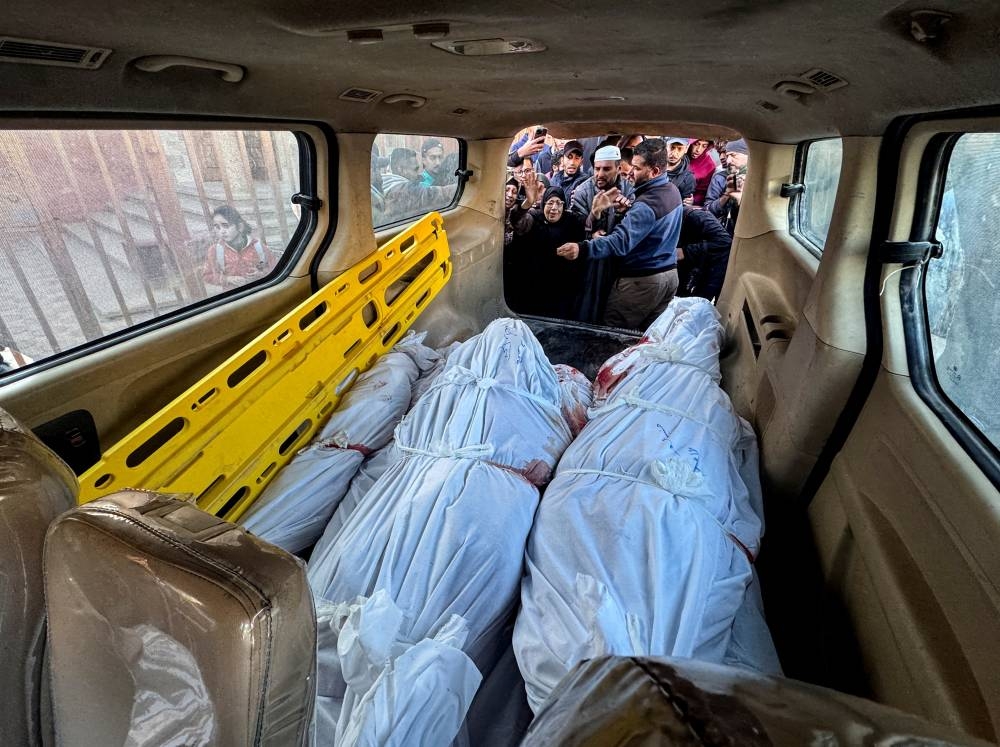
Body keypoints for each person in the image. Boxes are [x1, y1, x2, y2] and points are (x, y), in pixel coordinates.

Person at [555, 138, 684, 329]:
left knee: (613, 332)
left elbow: (621, 241)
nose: (631, 172)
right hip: (662, 275)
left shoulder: (638, 196)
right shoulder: (671, 190)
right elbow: (575, 224)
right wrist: (594, 216)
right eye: (597, 168)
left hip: (639, 280)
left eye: (637, 168)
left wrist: (582, 248)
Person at [569, 143, 636, 323]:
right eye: (597, 168)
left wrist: (623, 213)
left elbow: (635, 228)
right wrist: (592, 223)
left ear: (618, 168)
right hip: (590, 263)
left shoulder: (630, 191)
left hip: (619, 261)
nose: (599, 174)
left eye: (606, 169)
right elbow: (573, 226)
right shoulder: (583, 191)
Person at [506, 171, 585, 318]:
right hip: (533, 289)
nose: (554, 207)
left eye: (558, 203)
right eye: (550, 203)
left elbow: (587, 231)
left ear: (564, 206)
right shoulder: (534, 218)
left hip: (560, 291)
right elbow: (518, 221)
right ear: (543, 204)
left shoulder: (572, 221)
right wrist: (528, 203)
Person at [203, 205, 274, 289]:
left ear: (240, 227)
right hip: (234, 296)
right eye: (217, 227)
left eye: (226, 226)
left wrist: (261, 274)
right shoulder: (215, 251)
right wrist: (228, 279)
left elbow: (274, 267)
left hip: (258, 292)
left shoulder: (258, 246)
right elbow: (207, 275)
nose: (222, 231)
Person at [676, 205, 732, 301]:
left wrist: (685, 252)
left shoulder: (697, 216)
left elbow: (725, 242)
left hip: (712, 271)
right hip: (692, 270)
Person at [707, 138, 749, 235]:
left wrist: (740, 200)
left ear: (748, 156)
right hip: (721, 233)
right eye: (727, 155)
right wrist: (726, 195)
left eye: (733, 155)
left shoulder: (757, 180)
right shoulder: (720, 178)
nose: (728, 160)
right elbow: (708, 211)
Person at [550, 140, 589, 204]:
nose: (572, 163)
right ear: (562, 160)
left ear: (581, 162)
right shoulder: (554, 180)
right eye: (569, 157)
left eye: (576, 158)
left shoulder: (585, 183)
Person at [687, 138, 719, 206]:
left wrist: (693, 200)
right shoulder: (679, 154)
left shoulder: (709, 165)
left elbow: (703, 193)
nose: (698, 150)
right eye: (696, 144)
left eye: (704, 146)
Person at [664, 136, 696, 203]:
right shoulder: (654, 167)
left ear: (686, 149)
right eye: (672, 147)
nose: (674, 153)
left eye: (679, 148)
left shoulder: (688, 178)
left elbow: (684, 206)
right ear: (665, 146)